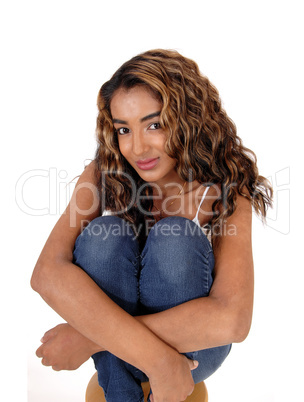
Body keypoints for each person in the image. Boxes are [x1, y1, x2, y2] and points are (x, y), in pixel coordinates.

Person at [31, 49, 273, 402]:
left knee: (175, 238)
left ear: (188, 118)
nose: (138, 146)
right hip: (133, 352)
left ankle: (126, 379)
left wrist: (88, 337)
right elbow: (46, 273)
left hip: (191, 351)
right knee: (104, 235)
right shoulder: (104, 175)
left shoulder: (227, 190)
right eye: (124, 129)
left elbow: (232, 321)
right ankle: (125, 391)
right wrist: (156, 361)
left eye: (155, 124)